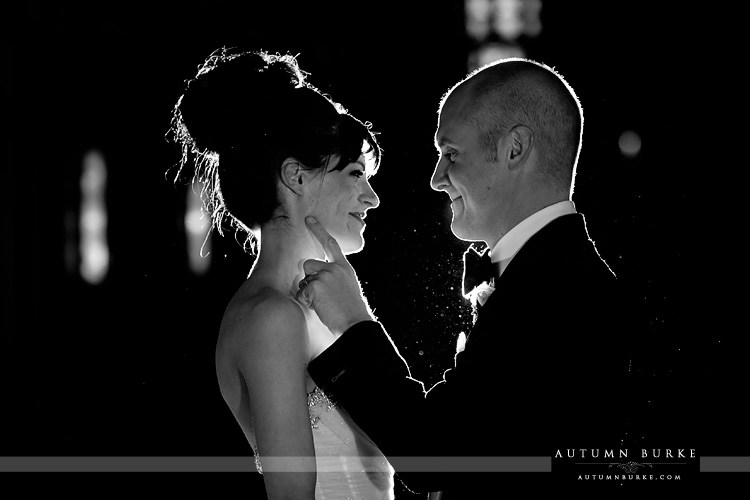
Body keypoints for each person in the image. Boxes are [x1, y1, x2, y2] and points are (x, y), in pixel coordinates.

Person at [297, 58, 637, 496]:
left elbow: (436, 456)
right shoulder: (542, 274)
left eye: (451, 154)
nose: (438, 179)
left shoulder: (564, 292)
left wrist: (353, 324)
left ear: (515, 149)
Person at [169, 48, 394, 500]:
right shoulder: (271, 317)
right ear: (296, 176)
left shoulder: (314, 304)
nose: (372, 198)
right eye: (355, 173)